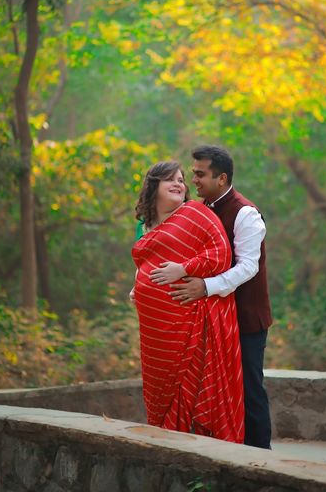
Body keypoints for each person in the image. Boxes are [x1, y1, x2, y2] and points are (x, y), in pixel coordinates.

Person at [166, 145, 273, 449]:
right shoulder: (199, 209)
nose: (193, 180)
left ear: (222, 178)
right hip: (211, 322)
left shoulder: (246, 214)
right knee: (216, 390)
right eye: (193, 173)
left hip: (246, 319)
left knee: (249, 389)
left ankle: (261, 460)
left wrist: (206, 286)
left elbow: (248, 267)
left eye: (200, 174)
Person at [130, 161, 244, 443]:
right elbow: (145, 261)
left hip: (190, 324)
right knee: (158, 389)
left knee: (190, 389)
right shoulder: (144, 227)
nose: (180, 184)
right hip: (157, 332)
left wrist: (183, 269)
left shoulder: (195, 213)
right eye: (171, 179)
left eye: (182, 180)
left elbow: (221, 255)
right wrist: (137, 285)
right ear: (154, 185)